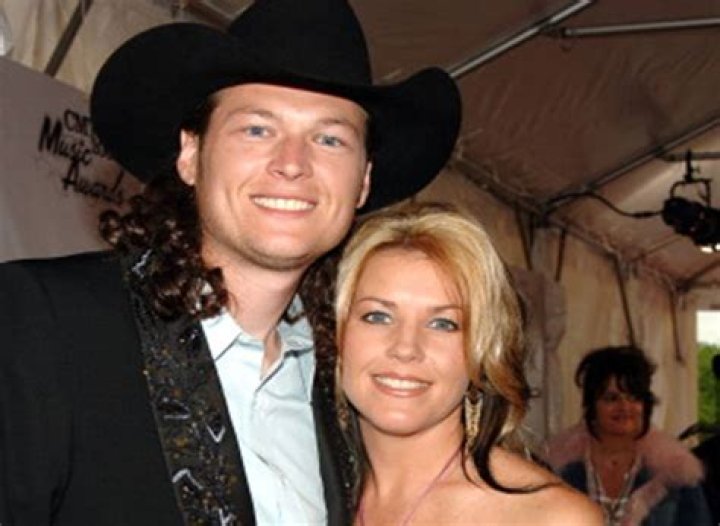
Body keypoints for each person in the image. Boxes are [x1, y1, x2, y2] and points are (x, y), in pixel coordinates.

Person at [0, 1, 461, 524]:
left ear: (363, 181)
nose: (293, 164)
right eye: (257, 129)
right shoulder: (44, 323)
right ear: (190, 154)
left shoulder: (348, 388)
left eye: (329, 139)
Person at [331, 203, 602, 525]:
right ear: (336, 333)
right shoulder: (306, 491)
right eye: (378, 316)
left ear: (483, 351)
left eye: (443, 324)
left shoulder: (550, 518)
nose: (406, 348)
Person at [546, 346, 713, 526]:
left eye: (634, 398)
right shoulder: (557, 470)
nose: (624, 407)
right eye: (612, 398)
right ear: (591, 405)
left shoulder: (676, 472)